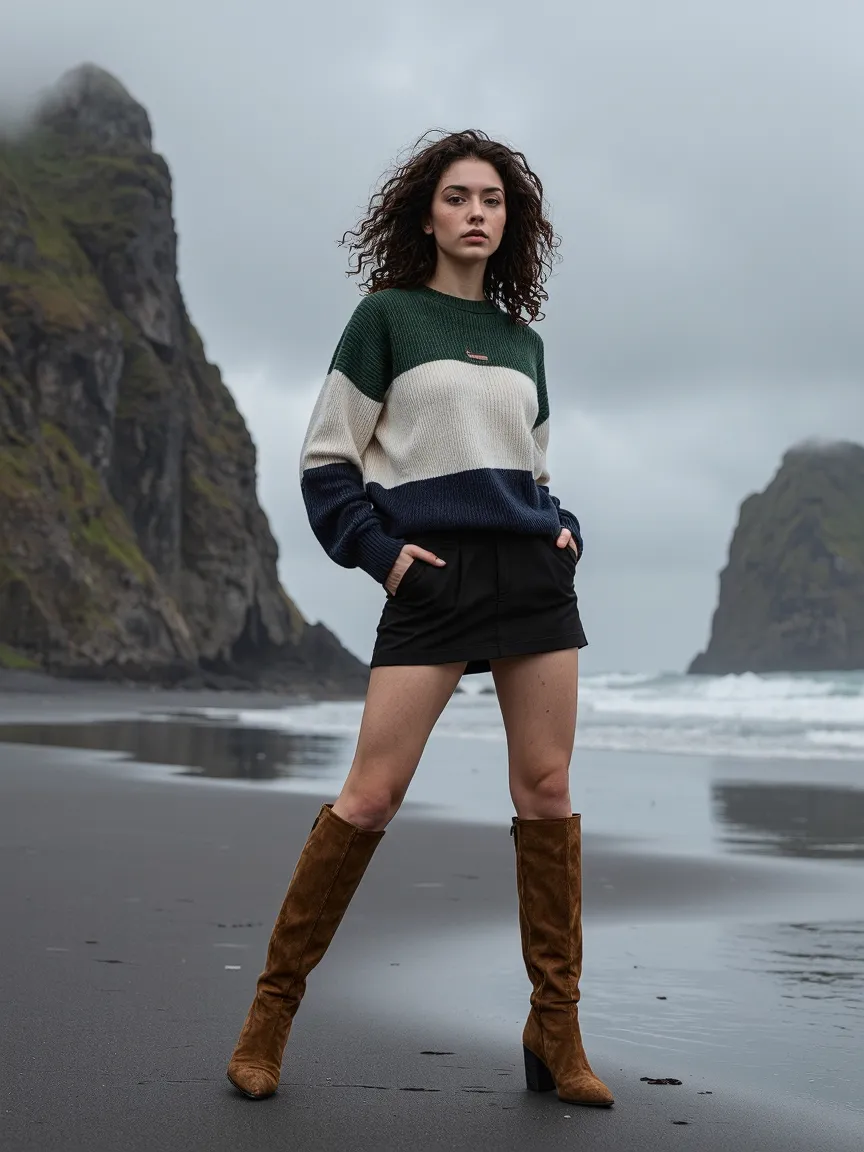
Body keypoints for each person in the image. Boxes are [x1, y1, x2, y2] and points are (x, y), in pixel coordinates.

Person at [225, 129, 614, 1109]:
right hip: (428, 575)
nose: (475, 212)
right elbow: (326, 463)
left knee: (547, 789)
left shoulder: (523, 343)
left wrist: (561, 526)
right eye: (457, 197)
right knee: (369, 795)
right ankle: (268, 1015)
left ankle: (554, 1032)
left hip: (529, 575)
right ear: (426, 213)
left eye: (492, 199)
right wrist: (383, 557)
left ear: (508, 222)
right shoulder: (385, 319)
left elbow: (532, 469)